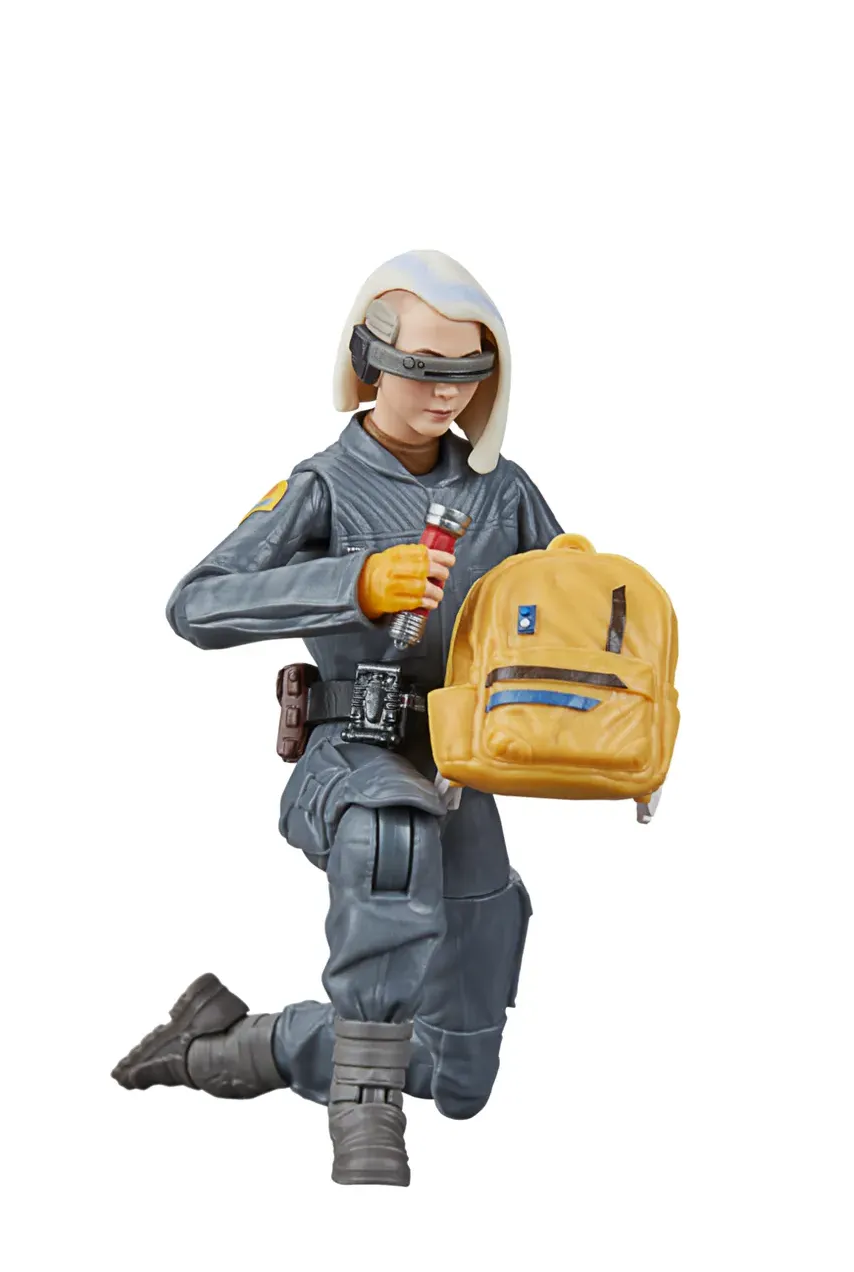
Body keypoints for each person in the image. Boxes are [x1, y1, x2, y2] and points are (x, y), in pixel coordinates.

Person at [112, 250, 564, 1186]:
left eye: (467, 371)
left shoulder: (503, 490)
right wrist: (354, 583)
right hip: (352, 745)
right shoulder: (323, 485)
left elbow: (563, 604)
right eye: (424, 368)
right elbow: (198, 603)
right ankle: (364, 1111)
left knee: (456, 1075)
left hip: (462, 761)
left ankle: (230, 1045)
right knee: (388, 837)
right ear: (369, 361)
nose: (447, 391)